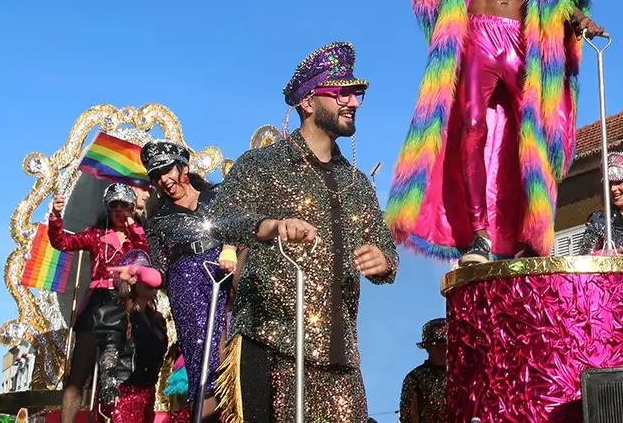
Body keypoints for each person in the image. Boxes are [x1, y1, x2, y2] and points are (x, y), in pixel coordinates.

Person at [305, 0, 603, 264]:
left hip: (525, 42)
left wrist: (579, 18)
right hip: (476, 39)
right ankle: (479, 236)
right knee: (472, 131)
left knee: (533, 135)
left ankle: (532, 234)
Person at [210, 41, 399, 423]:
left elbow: (385, 248)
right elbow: (220, 218)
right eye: (342, 93)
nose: (354, 102)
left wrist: (383, 260)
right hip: (271, 340)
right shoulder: (264, 164)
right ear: (308, 103)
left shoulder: (357, 182)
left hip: (339, 353)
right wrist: (270, 226)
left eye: (356, 93)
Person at [131, 139, 236, 421]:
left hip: (229, 272)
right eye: (156, 175)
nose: (163, 179)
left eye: (167, 170)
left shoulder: (220, 195)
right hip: (186, 285)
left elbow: (244, 228)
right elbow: (159, 272)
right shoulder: (158, 219)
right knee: (205, 362)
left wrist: (230, 247)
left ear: (183, 167)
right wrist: (138, 271)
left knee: (238, 353)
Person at [48, 182, 149, 423]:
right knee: (78, 373)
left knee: (123, 373)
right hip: (96, 304)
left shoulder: (139, 237)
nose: (119, 211)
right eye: (114, 205)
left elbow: (147, 257)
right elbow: (62, 242)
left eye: (125, 206)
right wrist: (55, 215)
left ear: (133, 208)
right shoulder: (95, 236)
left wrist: (133, 227)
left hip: (128, 305)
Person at [100, 249, 189, 423]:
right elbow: (109, 351)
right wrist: (109, 384)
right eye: (141, 274)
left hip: (148, 395)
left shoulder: (157, 320)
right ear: (130, 281)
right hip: (122, 394)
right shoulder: (116, 313)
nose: (147, 280)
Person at [398, 318, 447, 423]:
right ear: (432, 347)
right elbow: (407, 418)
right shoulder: (415, 378)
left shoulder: (461, 377)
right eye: (444, 345)